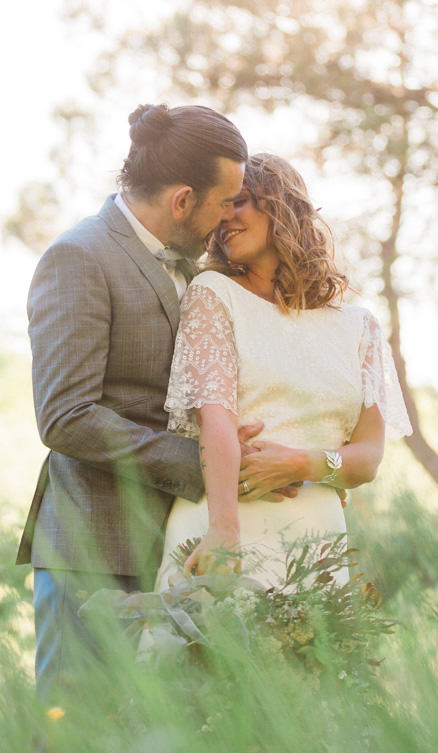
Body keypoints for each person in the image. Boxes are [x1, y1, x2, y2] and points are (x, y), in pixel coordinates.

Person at [18, 106, 310, 702]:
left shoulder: (206, 273)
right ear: (183, 201)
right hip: (97, 549)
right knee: (80, 733)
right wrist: (202, 461)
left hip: (184, 547)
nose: (231, 214)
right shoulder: (79, 256)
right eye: (225, 200)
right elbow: (65, 416)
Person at [156, 153, 413, 589]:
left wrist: (300, 463)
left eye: (239, 202)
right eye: (220, 207)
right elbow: (215, 422)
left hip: (317, 537)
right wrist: (223, 531)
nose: (225, 218)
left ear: (281, 205)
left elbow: (368, 459)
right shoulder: (212, 293)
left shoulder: (358, 326)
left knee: (312, 658)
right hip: (226, 524)